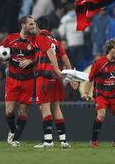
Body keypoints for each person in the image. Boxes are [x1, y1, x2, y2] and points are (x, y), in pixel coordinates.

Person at [33, 17, 77, 148]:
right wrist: (71, 77)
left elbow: (49, 51)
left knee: (45, 108)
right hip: (56, 79)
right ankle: (63, 141)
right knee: (56, 108)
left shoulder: (40, 37)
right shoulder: (55, 40)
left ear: (37, 26)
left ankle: (48, 141)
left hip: (45, 77)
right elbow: (65, 57)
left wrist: (56, 68)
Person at [83, 39, 115, 147]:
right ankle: (93, 141)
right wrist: (86, 93)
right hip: (100, 94)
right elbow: (90, 79)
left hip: (114, 95)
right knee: (101, 115)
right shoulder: (99, 63)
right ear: (109, 49)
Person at [2, 15, 37, 147]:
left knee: (23, 111)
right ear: (23, 25)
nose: (33, 26)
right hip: (12, 79)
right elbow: (2, 54)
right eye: (31, 24)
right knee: (9, 111)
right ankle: (12, 130)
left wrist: (30, 61)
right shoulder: (10, 39)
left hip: (28, 80)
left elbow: (39, 57)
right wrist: (2, 57)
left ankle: (15, 139)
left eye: (34, 24)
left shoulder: (35, 41)